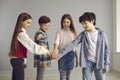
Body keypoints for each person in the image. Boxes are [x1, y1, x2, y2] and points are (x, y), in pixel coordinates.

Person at [56, 12, 110, 80]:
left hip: (99, 62)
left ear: (92, 21)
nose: (83, 26)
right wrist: (61, 54)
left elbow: (106, 50)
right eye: (82, 24)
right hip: (87, 62)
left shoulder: (102, 34)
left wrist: (106, 64)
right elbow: (73, 44)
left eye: (85, 23)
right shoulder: (83, 34)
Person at [8, 13, 52, 80]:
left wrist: (24, 61)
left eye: (30, 23)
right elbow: (32, 46)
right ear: (21, 22)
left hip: (17, 60)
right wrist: (46, 51)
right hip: (17, 61)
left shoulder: (20, 32)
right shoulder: (21, 34)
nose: (29, 25)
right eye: (28, 22)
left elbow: (28, 45)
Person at [52, 14, 78, 80]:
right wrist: (55, 50)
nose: (66, 24)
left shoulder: (73, 32)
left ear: (70, 22)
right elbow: (56, 42)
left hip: (71, 55)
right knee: (62, 74)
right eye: (64, 22)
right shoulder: (59, 32)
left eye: (67, 22)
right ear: (62, 22)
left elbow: (75, 46)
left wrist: (77, 58)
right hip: (61, 55)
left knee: (68, 75)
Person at [34, 16, 51, 80]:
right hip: (41, 58)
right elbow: (42, 45)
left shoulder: (43, 32)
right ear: (40, 24)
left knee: (40, 74)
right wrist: (49, 52)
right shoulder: (40, 33)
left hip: (41, 57)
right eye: (45, 25)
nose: (47, 27)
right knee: (40, 75)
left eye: (48, 25)